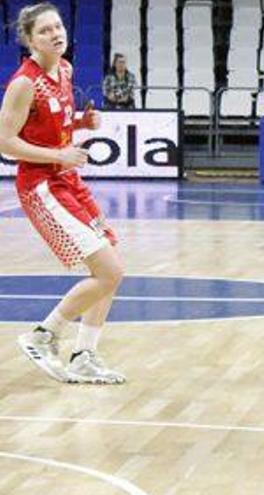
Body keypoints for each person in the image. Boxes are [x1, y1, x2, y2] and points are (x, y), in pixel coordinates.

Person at [0, 2, 126, 384]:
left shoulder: (66, 70)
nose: (55, 34)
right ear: (29, 40)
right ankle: (44, 335)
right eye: (44, 31)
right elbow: (5, 142)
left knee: (111, 269)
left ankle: (84, 354)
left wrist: (80, 122)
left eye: (58, 27)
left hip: (68, 182)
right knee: (109, 271)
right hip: (41, 187)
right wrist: (58, 154)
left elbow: (51, 124)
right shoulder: (24, 82)